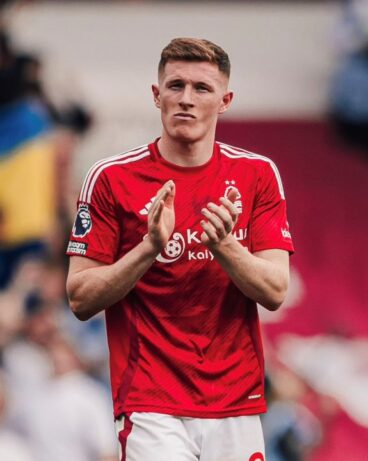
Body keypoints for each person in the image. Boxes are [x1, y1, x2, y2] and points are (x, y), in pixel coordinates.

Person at [65, 38, 294, 461]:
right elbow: (79, 298)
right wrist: (149, 247)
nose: (186, 98)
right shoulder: (111, 179)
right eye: (176, 85)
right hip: (150, 402)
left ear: (225, 101)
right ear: (157, 95)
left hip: (235, 401)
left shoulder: (257, 174)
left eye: (202, 88)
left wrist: (225, 245)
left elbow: (275, 290)